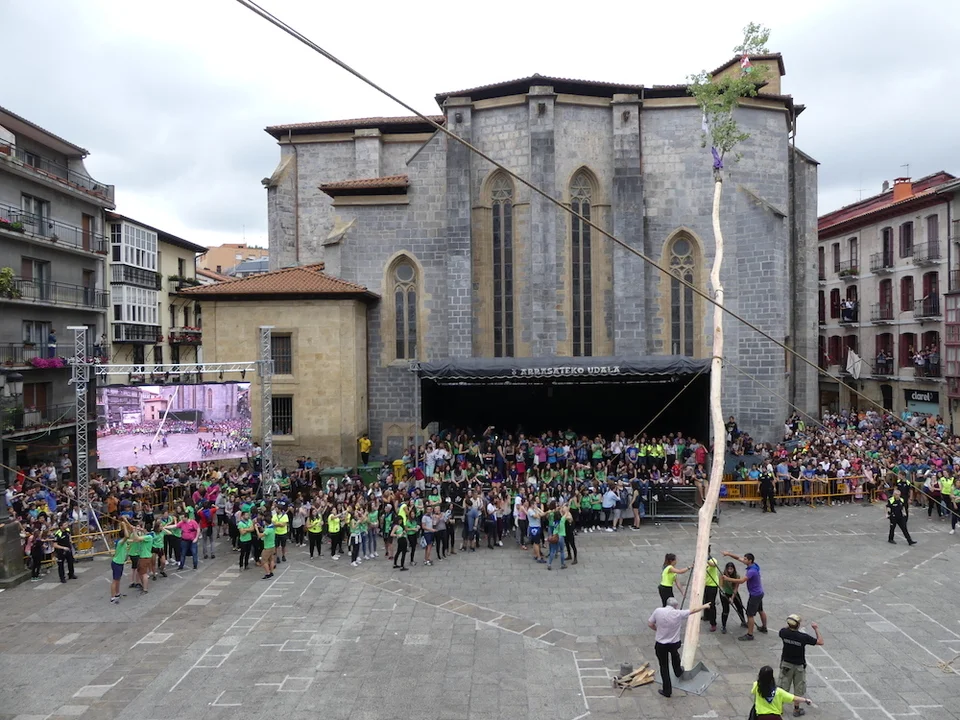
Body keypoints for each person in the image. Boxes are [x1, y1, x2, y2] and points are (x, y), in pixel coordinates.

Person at [647, 597, 710, 698]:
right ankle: (678, 671)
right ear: (675, 606)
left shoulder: (658, 611)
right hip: (674, 643)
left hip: (661, 644)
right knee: (675, 655)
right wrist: (704, 606)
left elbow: (650, 624)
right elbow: (693, 610)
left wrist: (657, 630)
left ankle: (667, 690)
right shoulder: (678, 613)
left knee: (664, 667)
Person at [779, 614, 823, 717]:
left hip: (786, 664)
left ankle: (778, 707)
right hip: (799, 666)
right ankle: (796, 709)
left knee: (783, 687)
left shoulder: (783, 632)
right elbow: (820, 642)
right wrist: (816, 629)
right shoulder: (803, 637)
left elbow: (785, 629)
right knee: (798, 688)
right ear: (798, 625)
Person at [722, 550, 768, 641]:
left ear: (750, 561)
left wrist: (728, 579)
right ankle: (764, 627)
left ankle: (750, 634)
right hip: (759, 593)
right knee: (760, 610)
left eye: (745, 559)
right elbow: (738, 558)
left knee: (750, 615)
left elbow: (742, 581)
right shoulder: (754, 565)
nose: (743, 560)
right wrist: (728, 554)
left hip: (754, 595)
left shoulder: (751, 571)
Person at [719, 561, 747, 634]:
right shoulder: (722, 575)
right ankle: (723, 626)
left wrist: (732, 598)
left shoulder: (737, 576)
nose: (730, 571)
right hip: (724, 593)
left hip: (733, 592)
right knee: (726, 610)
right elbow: (721, 586)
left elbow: (736, 588)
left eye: (731, 569)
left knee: (740, 607)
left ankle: (743, 621)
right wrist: (724, 594)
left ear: (734, 569)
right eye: (728, 569)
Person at [52, 517, 76, 584]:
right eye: (65, 525)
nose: (66, 525)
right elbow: (55, 545)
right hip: (60, 552)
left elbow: (69, 535)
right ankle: (62, 578)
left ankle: (71, 574)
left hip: (68, 549)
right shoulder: (58, 534)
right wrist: (63, 548)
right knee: (61, 565)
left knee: (70, 562)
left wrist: (70, 540)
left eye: (66, 524)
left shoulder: (67, 530)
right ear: (61, 526)